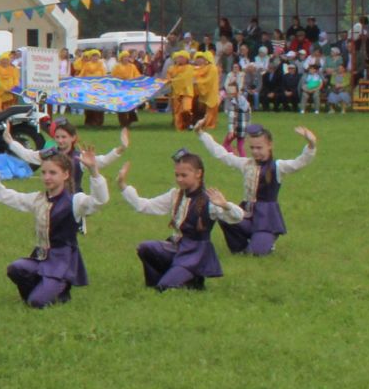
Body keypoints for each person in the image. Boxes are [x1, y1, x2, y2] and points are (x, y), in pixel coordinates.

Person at [0, 138, 109, 309]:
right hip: (41, 258)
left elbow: (99, 201)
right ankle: (44, 289)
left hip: (62, 263)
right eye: (44, 173)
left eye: (53, 173)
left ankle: (60, 287)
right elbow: (4, 195)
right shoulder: (38, 199)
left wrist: (94, 171)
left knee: (37, 302)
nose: (47, 177)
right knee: (15, 268)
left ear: (65, 175)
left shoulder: (75, 201)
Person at [117, 150, 245, 291]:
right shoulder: (175, 194)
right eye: (177, 175)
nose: (179, 179)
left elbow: (238, 216)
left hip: (195, 254)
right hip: (177, 247)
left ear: (198, 173)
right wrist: (123, 186)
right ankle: (165, 280)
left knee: (165, 288)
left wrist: (225, 205)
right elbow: (145, 206)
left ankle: (188, 279)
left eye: (184, 175)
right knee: (146, 248)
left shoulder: (208, 200)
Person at [199, 124, 315, 257]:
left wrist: (311, 145)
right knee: (223, 214)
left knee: (256, 253)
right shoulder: (246, 164)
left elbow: (299, 163)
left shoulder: (277, 167)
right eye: (252, 148)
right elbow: (222, 155)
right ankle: (241, 246)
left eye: (259, 148)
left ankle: (265, 242)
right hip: (246, 213)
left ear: (270, 145)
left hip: (266, 220)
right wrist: (202, 134)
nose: (255, 151)